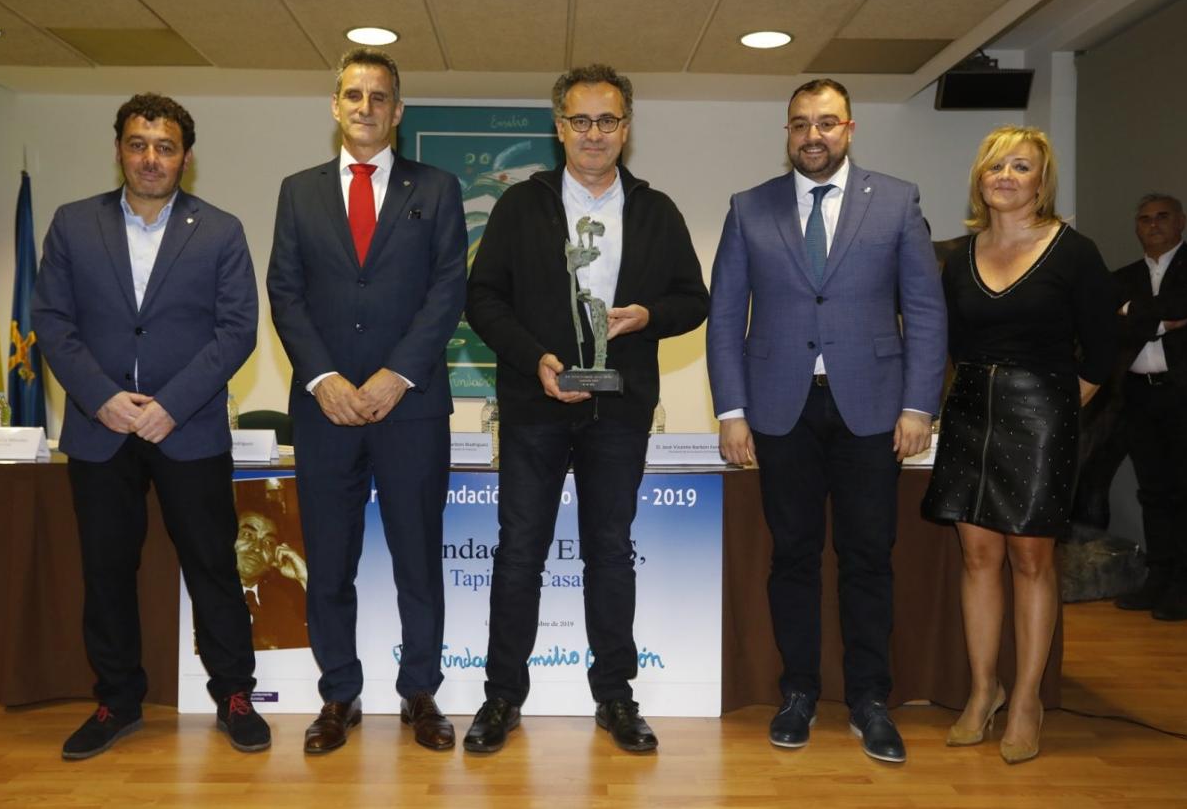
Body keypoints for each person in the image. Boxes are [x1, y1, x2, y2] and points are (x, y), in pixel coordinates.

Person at [463, 64, 708, 754]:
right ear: (558, 127)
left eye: (607, 121)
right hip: (535, 406)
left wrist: (645, 316)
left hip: (619, 411)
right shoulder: (522, 205)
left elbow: (696, 300)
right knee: (519, 554)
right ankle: (501, 698)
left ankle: (617, 698)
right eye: (580, 120)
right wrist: (535, 358)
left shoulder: (656, 211)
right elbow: (483, 298)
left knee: (609, 553)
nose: (593, 133)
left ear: (626, 129)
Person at [707, 78, 946, 764]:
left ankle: (871, 699)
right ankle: (799, 693)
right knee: (792, 556)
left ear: (849, 128)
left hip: (872, 410)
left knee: (869, 558)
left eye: (827, 123)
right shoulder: (749, 208)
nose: (813, 136)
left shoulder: (897, 201)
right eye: (800, 124)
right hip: (780, 411)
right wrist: (732, 410)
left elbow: (924, 312)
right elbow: (726, 318)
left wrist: (918, 404)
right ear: (788, 132)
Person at [32, 93, 267, 759]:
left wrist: (173, 403)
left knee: (213, 567)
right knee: (107, 570)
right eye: (138, 144)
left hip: (186, 430)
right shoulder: (74, 225)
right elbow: (52, 322)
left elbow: (236, 331)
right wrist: (103, 397)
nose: (151, 158)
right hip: (98, 430)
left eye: (165, 147)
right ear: (119, 150)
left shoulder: (219, 231)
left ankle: (234, 695)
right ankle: (117, 699)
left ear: (185, 158)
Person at [266, 48, 467, 754]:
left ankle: (420, 693)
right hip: (325, 410)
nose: (365, 107)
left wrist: (394, 376)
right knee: (329, 559)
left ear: (397, 111)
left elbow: (448, 292)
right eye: (353, 95)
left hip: (410, 406)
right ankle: (339, 696)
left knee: (419, 557)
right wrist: (325, 380)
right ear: (334, 104)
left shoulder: (437, 189)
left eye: (379, 97)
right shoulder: (299, 191)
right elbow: (285, 294)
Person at [922, 126, 1117, 763]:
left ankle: (1027, 699)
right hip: (971, 411)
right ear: (980, 179)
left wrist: (1060, 407)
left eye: (1021, 166)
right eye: (994, 166)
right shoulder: (957, 254)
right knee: (978, 558)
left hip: (1042, 416)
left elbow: (1103, 349)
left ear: (1041, 181)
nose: (1006, 176)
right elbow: (946, 344)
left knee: (1032, 560)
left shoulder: (1074, 251)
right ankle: (984, 691)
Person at [1113, 194, 1187, 621]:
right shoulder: (1123, 276)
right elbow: (1108, 324)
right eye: (1144, 219)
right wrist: (1159, 321)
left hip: (1184, 395)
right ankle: (1158, 576)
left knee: (1186, 489)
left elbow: (1184, 305)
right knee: (1154, 490)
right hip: (1139, 396)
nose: (1153, 225)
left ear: (1181, 221)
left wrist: (1135, 314)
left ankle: (1184, 580)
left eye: (1162, 217)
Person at [234, 510, 310, 650]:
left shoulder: (280, 602)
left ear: (275, 557)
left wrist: (304, 578)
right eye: (247, 534)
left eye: (268, 542)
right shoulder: (196, 596)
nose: (257, 548)